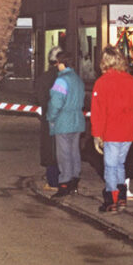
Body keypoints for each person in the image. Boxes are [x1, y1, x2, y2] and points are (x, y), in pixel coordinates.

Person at [90, 45, 133, 213]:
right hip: (127, 131)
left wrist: (97, 134)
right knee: (120, 164)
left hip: (111, 130)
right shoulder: (131, 80)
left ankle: (111, 199)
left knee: (110, 166)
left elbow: (98, 112)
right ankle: (121, 197)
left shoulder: (102, 82)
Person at [45, 50, 85, 198]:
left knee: (63, 154)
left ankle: (64, 183)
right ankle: (75, 180)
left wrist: (51, 117)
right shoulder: (77, 79)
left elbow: (56, 102)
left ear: (61, 64)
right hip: (77, 120)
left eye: (57, 63)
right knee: (75, 152)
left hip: (63, 121)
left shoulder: (61, 80)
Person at [32, 47, 60, 191]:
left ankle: (52, 181)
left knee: (51, 149)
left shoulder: (44, 78)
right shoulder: (67, 77)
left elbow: (39, 98)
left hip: (49, 118)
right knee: (64, 149)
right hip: (65, 120)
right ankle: (66, 180)